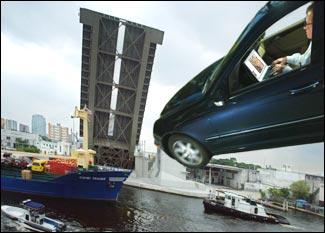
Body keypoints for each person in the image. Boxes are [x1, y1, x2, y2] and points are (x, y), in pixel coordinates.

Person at [272, 3, 313, 74]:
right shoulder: (316, 41)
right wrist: (286, 59)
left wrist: (284, 69)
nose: (304, 27)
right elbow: (304, 59)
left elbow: (306, 78)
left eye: (307, 24)